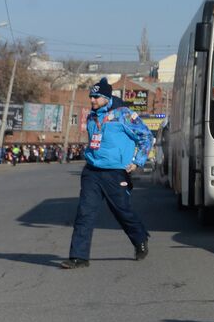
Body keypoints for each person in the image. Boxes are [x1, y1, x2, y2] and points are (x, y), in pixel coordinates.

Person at [60, 79, 153, 269]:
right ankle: (78, 257)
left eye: (96, 97)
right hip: (92, 172)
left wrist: (137, 162)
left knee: (122, 212)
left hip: (115, 173)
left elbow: (146, 136)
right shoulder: (92, 117)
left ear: (106, 97)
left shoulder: (123, 115)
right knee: (84, 213)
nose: (92, 100)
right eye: (91, 96)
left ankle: (140, 238)